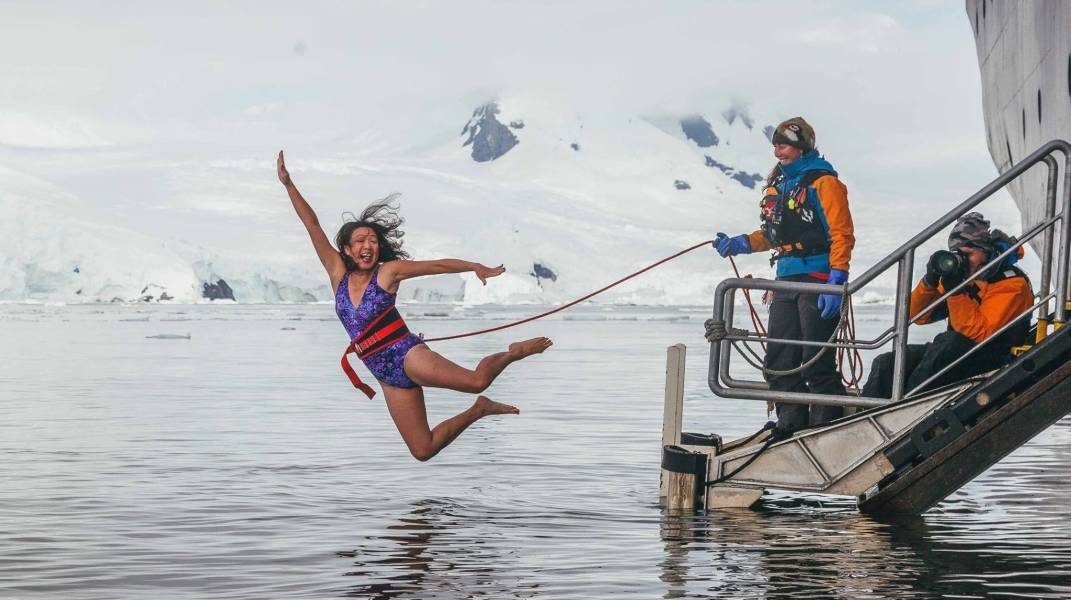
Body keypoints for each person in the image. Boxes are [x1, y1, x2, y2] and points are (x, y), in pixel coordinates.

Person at [277, 150, 553, 461]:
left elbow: (435, 266)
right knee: (423, 450)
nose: (368, 246)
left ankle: (513, 352)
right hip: (382, 372)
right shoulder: (337, 275)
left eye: (372, 241)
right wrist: (289, 185)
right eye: (360, 241)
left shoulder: (388, 272)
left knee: (477, 380)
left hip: (406, 355)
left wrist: (474, 266)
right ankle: (480, 410)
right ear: (346, 249)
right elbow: (311, 226)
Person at [710, 117, 855, 434]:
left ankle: (826, 428)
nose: (779, 151)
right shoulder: (780, 185)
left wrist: (837, 279)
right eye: (775, 145)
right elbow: (773, 235)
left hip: (817, 278)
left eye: (785, 144)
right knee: (778, 359)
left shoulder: (824, 183)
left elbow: (842, 233)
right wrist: (741, 244)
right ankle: (791, 423)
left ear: (803, 146)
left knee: (816, 360)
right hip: (784, 280)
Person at [861, 212, 1033, 398]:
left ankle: (903, 408)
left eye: (968, 254)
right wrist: (929, 282)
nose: (963, 261)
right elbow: (917, 315)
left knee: (947, 344)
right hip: (955, 354)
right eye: (957, 254)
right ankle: (863, 419)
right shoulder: (964, 278)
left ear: (985, 251)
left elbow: (979, 335)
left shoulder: (1012, 284)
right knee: (887, 363)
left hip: (992, 358)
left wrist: (956, 293)